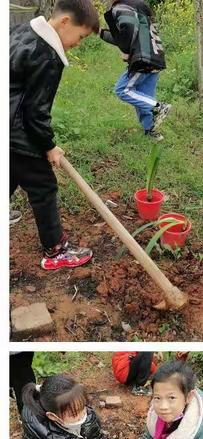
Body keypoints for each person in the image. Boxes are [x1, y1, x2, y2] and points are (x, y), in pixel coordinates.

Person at [10, 0, 99, 270]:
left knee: (11, 173)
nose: (78, 43)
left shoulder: (21, 31)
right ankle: (56, 249)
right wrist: (49, 146)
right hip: (17, 132)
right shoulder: (48, 55)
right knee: (43, 186)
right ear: (64, 23)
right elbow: (35, 112)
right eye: (81, 36)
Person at [19, 374, 126, 439]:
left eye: (83, 407)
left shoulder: (82, 412)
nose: (83, 415)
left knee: (86, 434)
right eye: (74, 414)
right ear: (53, 416)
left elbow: (96, 436)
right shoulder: (38, 438)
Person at [100, 0, 170, 139]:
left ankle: (158, 107)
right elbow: (126, 37)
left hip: (143, 60)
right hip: (155, 58)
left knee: (122, 90)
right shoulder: (139, 8)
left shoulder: (122, 7)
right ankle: (151, 131)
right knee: (142, 97)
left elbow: (128, 31)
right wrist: (100, 33)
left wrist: (127, 49)